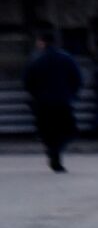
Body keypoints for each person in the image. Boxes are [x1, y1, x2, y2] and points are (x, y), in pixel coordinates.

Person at [23, 31, 82, 173]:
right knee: (68, 130)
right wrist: (70, 94)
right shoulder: (66, 58)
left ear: (42, 42)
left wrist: (35, 95)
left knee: (46, 131)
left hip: (43, 103)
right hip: (62, 101)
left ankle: (52, 151)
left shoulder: (36, 59)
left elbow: (27, 81)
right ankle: (56, 151)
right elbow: (77, 78)